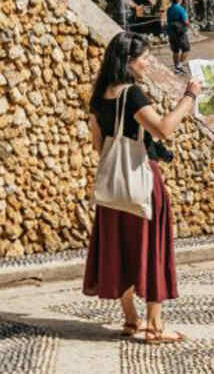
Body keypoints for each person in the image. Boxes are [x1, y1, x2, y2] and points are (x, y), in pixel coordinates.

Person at [84, 32, 201, 343]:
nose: (148, 61)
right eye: (144, 57)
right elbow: (163, 129)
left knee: (119, 246)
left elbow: (99, 145)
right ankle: (154, 326)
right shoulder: (132, 94)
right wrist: (189, 98)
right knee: (152, 247)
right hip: (141, 179)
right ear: (128, 61)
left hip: (113, 185)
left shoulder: (99, 95)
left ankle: (130, 319)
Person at [165, 0, 190, 74]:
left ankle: (177, 68)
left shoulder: (169, 9)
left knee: (175, 50)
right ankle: (180, 65)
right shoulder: (181, 9)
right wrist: (189, 26)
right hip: (180, 32)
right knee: (186, 49)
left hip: (171, 32)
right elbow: (185, 21)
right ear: (180, 0)